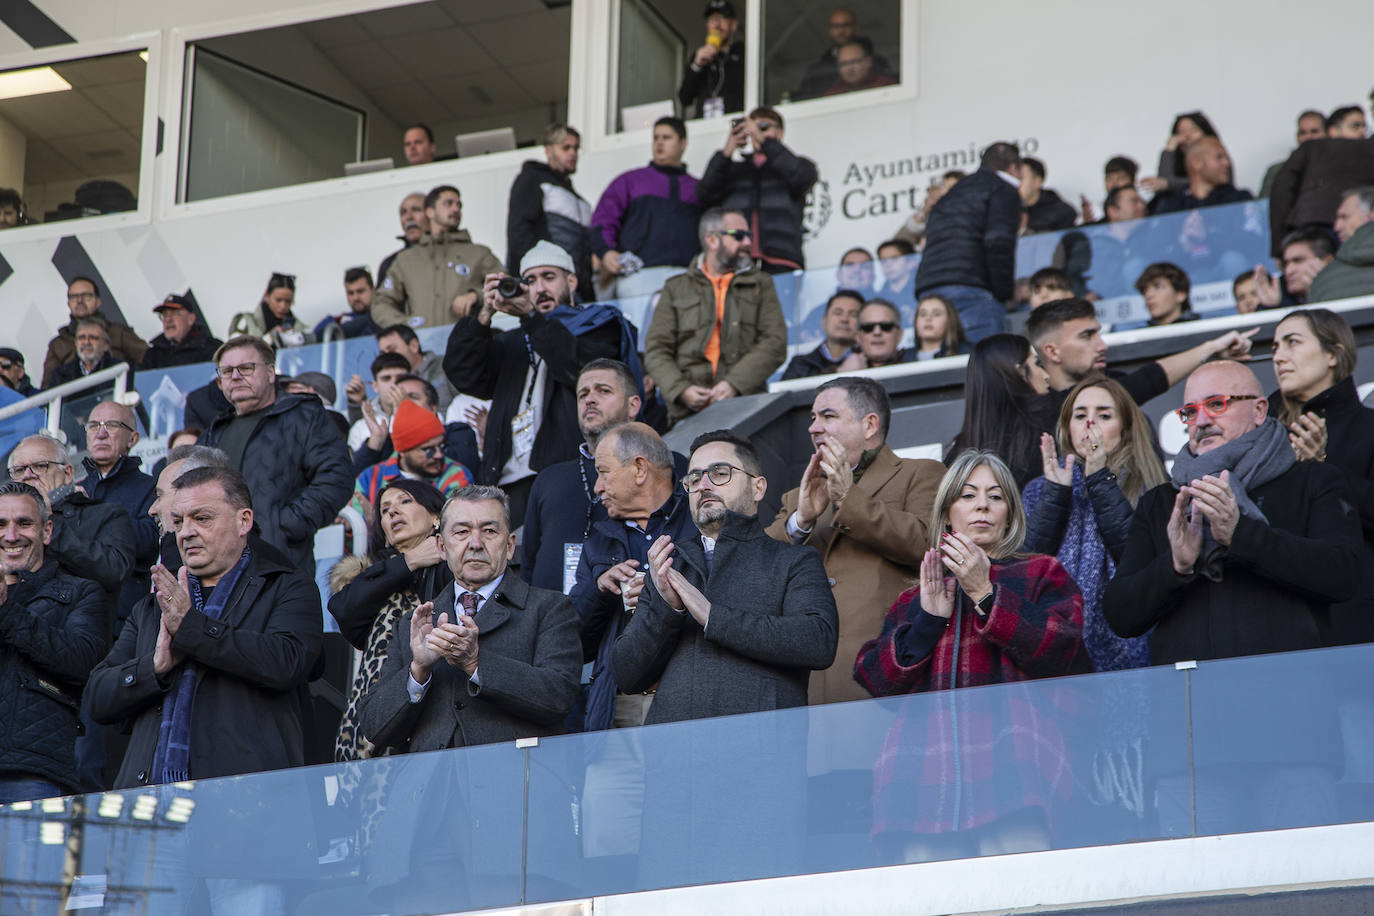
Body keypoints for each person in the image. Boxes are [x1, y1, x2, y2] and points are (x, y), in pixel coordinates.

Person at [1103, 360, 1361, 834]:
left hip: (1294, 737)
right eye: (1189, 411)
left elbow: (1344, 575)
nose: (1201, 420)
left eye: (1217, 405)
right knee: (1198, 902)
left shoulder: (1311, 482)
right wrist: (1175, 566)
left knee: (1304, 896)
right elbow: (1120, 613)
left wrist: (1243, 537)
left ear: (1260, 410)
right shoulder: (1163, 503)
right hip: (1192, 745)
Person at [853, 450, 1089, 863]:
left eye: (995, 497)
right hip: (923, 775)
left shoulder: (1040, 573)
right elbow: (878, 683)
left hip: (1014, 764)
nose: (982, 505)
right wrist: (927, 621)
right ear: (947, 514)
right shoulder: (917, 594)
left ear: (1010, 516)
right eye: (968, 495)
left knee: (1021, 895)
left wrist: (985, 594)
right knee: (933, 900)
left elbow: (1062, 650)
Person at [87, 465, 325, 786]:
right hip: (150, 808)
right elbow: (96, 698)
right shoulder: (156, 605)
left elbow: (288, 662)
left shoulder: (287, 587)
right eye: (179, 521)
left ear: (244, 521)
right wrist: (154, 668)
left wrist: (192, 629)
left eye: (202, 518)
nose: (185, 532)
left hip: (245, 803)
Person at [611, 429, 838, 721]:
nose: (703, 485)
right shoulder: (668, 565)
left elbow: (818, 643)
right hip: (675, 757)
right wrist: (667, 610)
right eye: (694, 478)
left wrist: (712, 617)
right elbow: (627, 674)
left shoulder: (794, 560)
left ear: (758, 488)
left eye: (719, 473)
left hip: (763, 756)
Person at [358, 485, 581, 749]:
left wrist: (476, 663)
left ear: (510, 546)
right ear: (441, 546)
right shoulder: (413, 622)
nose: (475, 544)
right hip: (431, 786)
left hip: (516, 781)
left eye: (489, 531)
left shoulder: (550, 608)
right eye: (462, 532)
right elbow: (374, 728)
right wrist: (418, 671)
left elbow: (560, 697)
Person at [766, 377, 944, 704]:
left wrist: (849, 498)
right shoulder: (798, 496)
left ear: (869, 424)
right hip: (803, 680)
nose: (813, 428)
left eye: (828, 416)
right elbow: (757, 568)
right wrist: (800, 521)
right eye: (812, 418)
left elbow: (926, 544)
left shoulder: (921, 473)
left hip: (885, 668)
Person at [443, 242, 635, 527]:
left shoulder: (597, 325)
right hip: (507, 485)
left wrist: (532, 318)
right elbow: (463, 374)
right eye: (530, 280)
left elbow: (578, 371)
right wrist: (483, 315)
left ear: (571, 281)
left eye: (549, 277)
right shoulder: (512, 342)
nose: (539, 287)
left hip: (569, 475)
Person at [1022, 379, 1167, 671]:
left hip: (1132, 653)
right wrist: (1055, 496)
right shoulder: (1040, 489)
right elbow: (1026, 572)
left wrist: (1099, 478)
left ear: (1125, 428)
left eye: (1104, 415)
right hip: (1058, 654)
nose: (1090, 423)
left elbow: (1139, 566)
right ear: (1067, 428)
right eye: (1080, 415)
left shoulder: (1150, 487)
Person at [575, 422, 696, 731]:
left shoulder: (699, 524)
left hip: (689, 702)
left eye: (603, 472)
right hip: (616, 708)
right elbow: (575, 643)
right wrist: (599, 591)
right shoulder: (597, 543)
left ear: (640, 469)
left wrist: (663, 593)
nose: (597, 487)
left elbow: (728, 609)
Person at [200, 336, 353, 570]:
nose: (236, 376)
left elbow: (336, 476)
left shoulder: (304, 414)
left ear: (271, 373)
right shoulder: (214, 432)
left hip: (281, 564)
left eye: (246, 368)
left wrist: (286, 526)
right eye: (227, 371)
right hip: (220, 566)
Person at [1269, 309, 1374, 645]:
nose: (1279, 357)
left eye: (1292, 342)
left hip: (1354, 623)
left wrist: (1322, 463)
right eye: (1274, 348)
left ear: (1333, 353)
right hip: (1280, 623)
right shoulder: (1264, 436)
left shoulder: (1369, 428)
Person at [0, 481, 106, 803]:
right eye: (1, 524)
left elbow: (84, 662)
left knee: (27, 857)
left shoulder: (80, 592)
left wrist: (7, 612)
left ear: (47, 531)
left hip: (33, 771)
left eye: (24, 523)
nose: (11, 535)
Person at [328, 479, 448, 761]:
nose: (392, 512)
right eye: (384, 510)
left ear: (437, 516)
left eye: (405, 501)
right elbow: (343, 608)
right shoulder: (375, 576)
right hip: (384, 717)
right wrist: (410, 562)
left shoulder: (458, 566)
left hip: (442, 709)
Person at [643, 208, 787, 423]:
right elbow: (655, 348)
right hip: (687, 413)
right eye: (738, 235)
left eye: (749, 236)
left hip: (746, 406)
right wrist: (682, 390)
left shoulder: (762, 283)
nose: (748, 243)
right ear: (711, 240)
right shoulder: (675, 287)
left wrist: (733, 384)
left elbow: (775, 342)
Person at [522, 359, 645, 593]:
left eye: (604, 391)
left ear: (633, 406)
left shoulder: (661, 468)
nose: (590, 399)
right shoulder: (548, 478)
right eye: (583, 394)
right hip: (550, 622)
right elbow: (528, 565)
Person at [1026, 297, 1256, 417]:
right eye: (1087, 336)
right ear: (1052, 351)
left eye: (1099, 333)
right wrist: (1210, 349)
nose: (1102, 345)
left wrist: (1214, 353)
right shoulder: (1035, 409)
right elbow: (1145, 382)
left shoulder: (1111, 380)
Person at [589, 116, 701, 317]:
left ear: (683, 143)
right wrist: (606, 251)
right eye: (655, 137)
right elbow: (603, 220)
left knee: (687, 344)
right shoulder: (630, 181)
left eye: (667, 137)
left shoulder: (697, 188)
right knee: (639, 342)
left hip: (687, 276)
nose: (659, 142)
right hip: (638, 277)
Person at [914, 142, 1023, 343]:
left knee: (943, 367)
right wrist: (1003, 293)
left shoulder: (953, 193)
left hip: (930, 289)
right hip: (972, 288)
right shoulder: (1002, 189)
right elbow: (998, 241)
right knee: (983, 364)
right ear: (1013, 168)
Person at [7, 434, 133, 598]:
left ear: (67, 473)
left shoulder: (106, 514)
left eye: (39, 466)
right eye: (19, 470)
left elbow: (114, 571)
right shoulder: (4, 524)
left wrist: (50, 521)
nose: (27, 475)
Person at [696, 108, 818, 274]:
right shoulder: (734, 170)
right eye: (752, 128)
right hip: (736, 260)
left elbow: (802, 178)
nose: (756, 132)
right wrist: (727, 151)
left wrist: (767, 144)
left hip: (782, 259)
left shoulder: (796, 165)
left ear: (780, 133)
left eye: (763, 127)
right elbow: (705, 194)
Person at [371, 185, 503, 331]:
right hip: (422, 348)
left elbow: (505, 285)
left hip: (468, 344)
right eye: (448, 203)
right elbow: (380, 303)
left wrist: (475, 295)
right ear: (430, 211)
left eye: (458, 205)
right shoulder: (406, 259)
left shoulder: (479, 253)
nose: (455, 209)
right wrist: (406, 327)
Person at [78, 401, 159, 633]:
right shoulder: (74, 488)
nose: (101, 433)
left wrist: (88, 514)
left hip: (122, 619)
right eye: (93, 426)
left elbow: (149, 540)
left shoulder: (151, 487)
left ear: (132, 439)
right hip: (74, 614)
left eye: (112, 425)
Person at [947, 334, 1055, 488]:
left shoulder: (958, 453)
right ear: (1020, 372)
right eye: (1037, 363)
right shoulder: (1051, 427)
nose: (1046, 375)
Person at [506, 124, 596, 297]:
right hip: (547, 287)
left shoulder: (577, 198)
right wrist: (523, 284)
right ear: (548, 151)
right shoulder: (532, 179)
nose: (572, 153)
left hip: (576, 287)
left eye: (576, 148)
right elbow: (519, 232)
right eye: (566, 148)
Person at [349, 398, 473, 521]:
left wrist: (379, 524)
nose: (439, 455)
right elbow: (352, 528)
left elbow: (449, 526)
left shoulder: (457, 475)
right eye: (428, 450)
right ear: (402, 451)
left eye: (440, 446)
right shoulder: (369, 478)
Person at [1268, 139, 1374, 254]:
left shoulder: (1311, 147)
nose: (1362, 130)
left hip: (1309, 221)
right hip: (1321, 226)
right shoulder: (1312, 147)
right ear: (1332, 129)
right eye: (1356, 125)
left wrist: (1278, 244)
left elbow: (1282, 188)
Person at [42, 276, 148, 387]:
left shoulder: (119, 332)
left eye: (86, 296)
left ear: (98, 301)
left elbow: (149, 363)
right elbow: (47, 389)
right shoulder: (57, 344)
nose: (79, 301)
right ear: (68, 303)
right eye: (74, 297)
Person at [796, 7, 891, 99]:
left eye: (846, 25)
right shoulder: (817, 71)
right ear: (830, 31)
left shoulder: (878, 63)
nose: (841, 31)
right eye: (836, 26)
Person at [1149, 136, 1253, 214]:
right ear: (1196, 163)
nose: (1227, 163)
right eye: (1219, 157)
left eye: (1226, 158)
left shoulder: (1239, 199)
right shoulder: (1170, 206)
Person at [678, 0, 744, 119]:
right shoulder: (699, 56)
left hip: (734, 124)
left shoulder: (743, 53)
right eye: (713, 19)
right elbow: (685, 99)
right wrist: (696, 66)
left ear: (733, 25)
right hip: (705, 126)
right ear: (707, 25)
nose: (717, 25)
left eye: (722, 18)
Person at [1309, 188, 1374, 302]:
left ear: (1372, 215)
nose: (1337, 227)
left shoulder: (1326, 277)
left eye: (1345, 217)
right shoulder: (1329, 272)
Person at [376, 323, 457, 413]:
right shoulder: (390, 379)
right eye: (383, 354)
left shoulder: (446, 365)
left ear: (413, 346)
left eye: (392, 350)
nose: (388, 357)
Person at [781, 289, 861, 379]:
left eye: (853, 314)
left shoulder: (871, 360)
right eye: (838, 313)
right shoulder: (801, 365)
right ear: (824, 322)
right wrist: (839, 373)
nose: (844, 319)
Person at [345, 352, 413, 455]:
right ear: (375, 386)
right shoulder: (360, 427)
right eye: (386, 378)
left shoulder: (430, 416)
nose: (394, 384)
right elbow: (357, 468)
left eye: (400, 378)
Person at [1250, 227, 1336, 308]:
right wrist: (1271, 307)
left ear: (1327, 261)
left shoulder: (1344, 291)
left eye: (1298, 260)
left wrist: (1321, 293)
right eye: (1285, 264)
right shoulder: (1281, 299)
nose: (1288, 271)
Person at [227, 273, 315, 348]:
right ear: (267, 296)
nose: (283, 306)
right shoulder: (246, 322)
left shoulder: (298, 328)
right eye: (278, 300)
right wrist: (270, 338)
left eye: (288, 301)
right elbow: (234, 353)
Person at [1142, 111, 1218, 199]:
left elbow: (1209, 182)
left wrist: (1168, 184)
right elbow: (1163, 183)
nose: (1188, 136)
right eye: (1182, 132)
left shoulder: (1219, 157)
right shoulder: (1179, 161)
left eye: (1193, 130)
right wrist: (1170, 149)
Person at [141, 294, 223, 369]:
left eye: (175, 314)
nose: (168, 319)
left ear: (190, 319)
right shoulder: (153, 354)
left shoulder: (212, 348)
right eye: (165, 315)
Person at [1258, 110, 1327, 199]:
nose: (1308, 137)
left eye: (1314, 131)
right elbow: (1263, 207)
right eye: (1303, 133)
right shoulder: (1276, 171)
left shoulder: (1339, 167)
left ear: (1328, 133)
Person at [838, 298, 910, 370]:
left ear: (899, 334)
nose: (877, 332)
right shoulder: (835, 371)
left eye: (886, 326)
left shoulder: (916, 364)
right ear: (858, 337)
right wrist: (843, 375)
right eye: (868, 327)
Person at [47, 318, 122, 388]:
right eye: (81, 338)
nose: (86, 342)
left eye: (93, 338)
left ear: (106, 345)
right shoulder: (61, 374)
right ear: (76, 343)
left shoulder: (120, 369)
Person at [313, 267, 382, 340]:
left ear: (373, 290)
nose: (355, 298)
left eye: (360, 291)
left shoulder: (384, 319)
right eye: (350, 293)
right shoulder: (333, 322)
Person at [377, 192, 429, 286]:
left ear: (431, 214)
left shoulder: (449, 253)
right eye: (403, 212)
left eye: (416, 210)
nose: (408, 217)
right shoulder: (391, 264)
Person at [1019, 157, 1077, 233]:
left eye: (1020, 178)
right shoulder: (1006, 208)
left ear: (1037, 182)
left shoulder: (1061, 213)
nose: (1016, 184)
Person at [822, 40, 897, 95]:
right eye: (844, 64)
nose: (849, 68)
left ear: (868, 62)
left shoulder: (885, 84)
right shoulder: (833, 94)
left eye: (854, 62)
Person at [1135, 261, 1199, 326]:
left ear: (1180, 294)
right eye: (1145, 290)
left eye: (1158, 287)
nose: (1148, 295)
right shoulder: (1138, 335)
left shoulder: (1201, 330)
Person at [913, 294, 971, 360]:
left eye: (936, 314)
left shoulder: (969, 352)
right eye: (923, 314)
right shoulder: (902, 357)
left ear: (950, 320)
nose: (928, 318)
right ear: (915, 321)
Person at [875, 238, 919, 319]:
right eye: (883, 261)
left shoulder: (922, 290)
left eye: (894, 258)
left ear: (911, 262)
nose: (888, 265)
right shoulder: (878, 297)